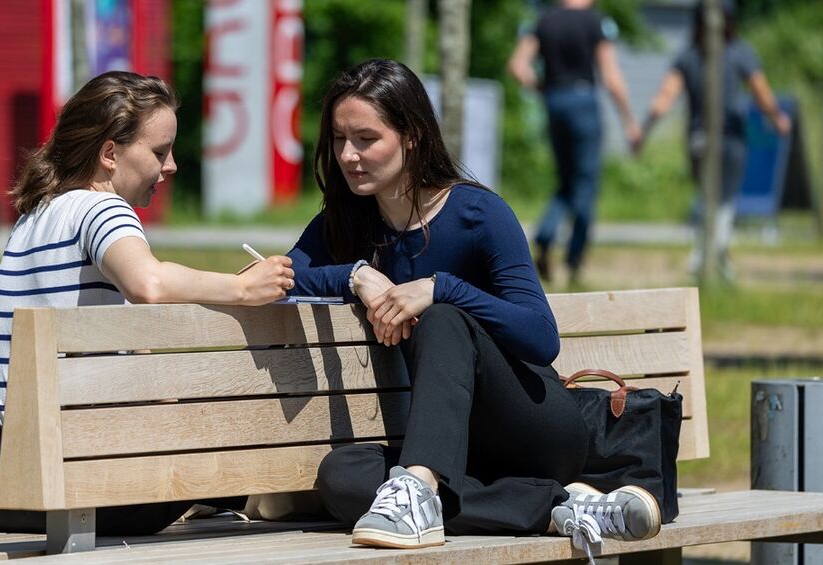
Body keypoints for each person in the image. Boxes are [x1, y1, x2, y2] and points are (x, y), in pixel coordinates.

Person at [287, 59, 661, 553]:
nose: (349, 155)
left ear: (413, 135)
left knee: (442, 319)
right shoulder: (346, 220)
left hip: (535, 429)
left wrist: (442, 288)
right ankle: (560, 509)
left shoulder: (477, 215)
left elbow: (541, 337)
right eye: (338, 140)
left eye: (365, 138)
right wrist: (357, 274)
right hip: (455, 452)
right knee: (341, 476)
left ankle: (419, 488)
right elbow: (281, 278)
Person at [0, 70, 294, 535]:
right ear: (110, 153)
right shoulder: (101, 208)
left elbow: (121, 334)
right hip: (67, 477)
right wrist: (242, 289)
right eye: (159, 152)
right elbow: (148, 283)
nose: (171, 165)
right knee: (265, 470)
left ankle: (234, 497)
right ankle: (260, 498)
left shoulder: (36, 217)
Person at [636, 0, 790, 281]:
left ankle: (710, 256)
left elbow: (664, 99)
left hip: (698, 140)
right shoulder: (741, 52)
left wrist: (643, 131)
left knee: (706, 199)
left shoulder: (688, 55)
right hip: (729, 139)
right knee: (726, 200)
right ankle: (710, 255)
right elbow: (761, 92)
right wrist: (778, 117)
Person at [507, 0, 639, 284]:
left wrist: (542, 88)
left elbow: (518, 66)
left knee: (565, 181)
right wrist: (629, 120)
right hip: (583, 101)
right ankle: (574, 260)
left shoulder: (543, 20)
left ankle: (545, 234)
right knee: (586, 184)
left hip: (555, 102)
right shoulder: (595, 21)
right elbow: (611, 77)